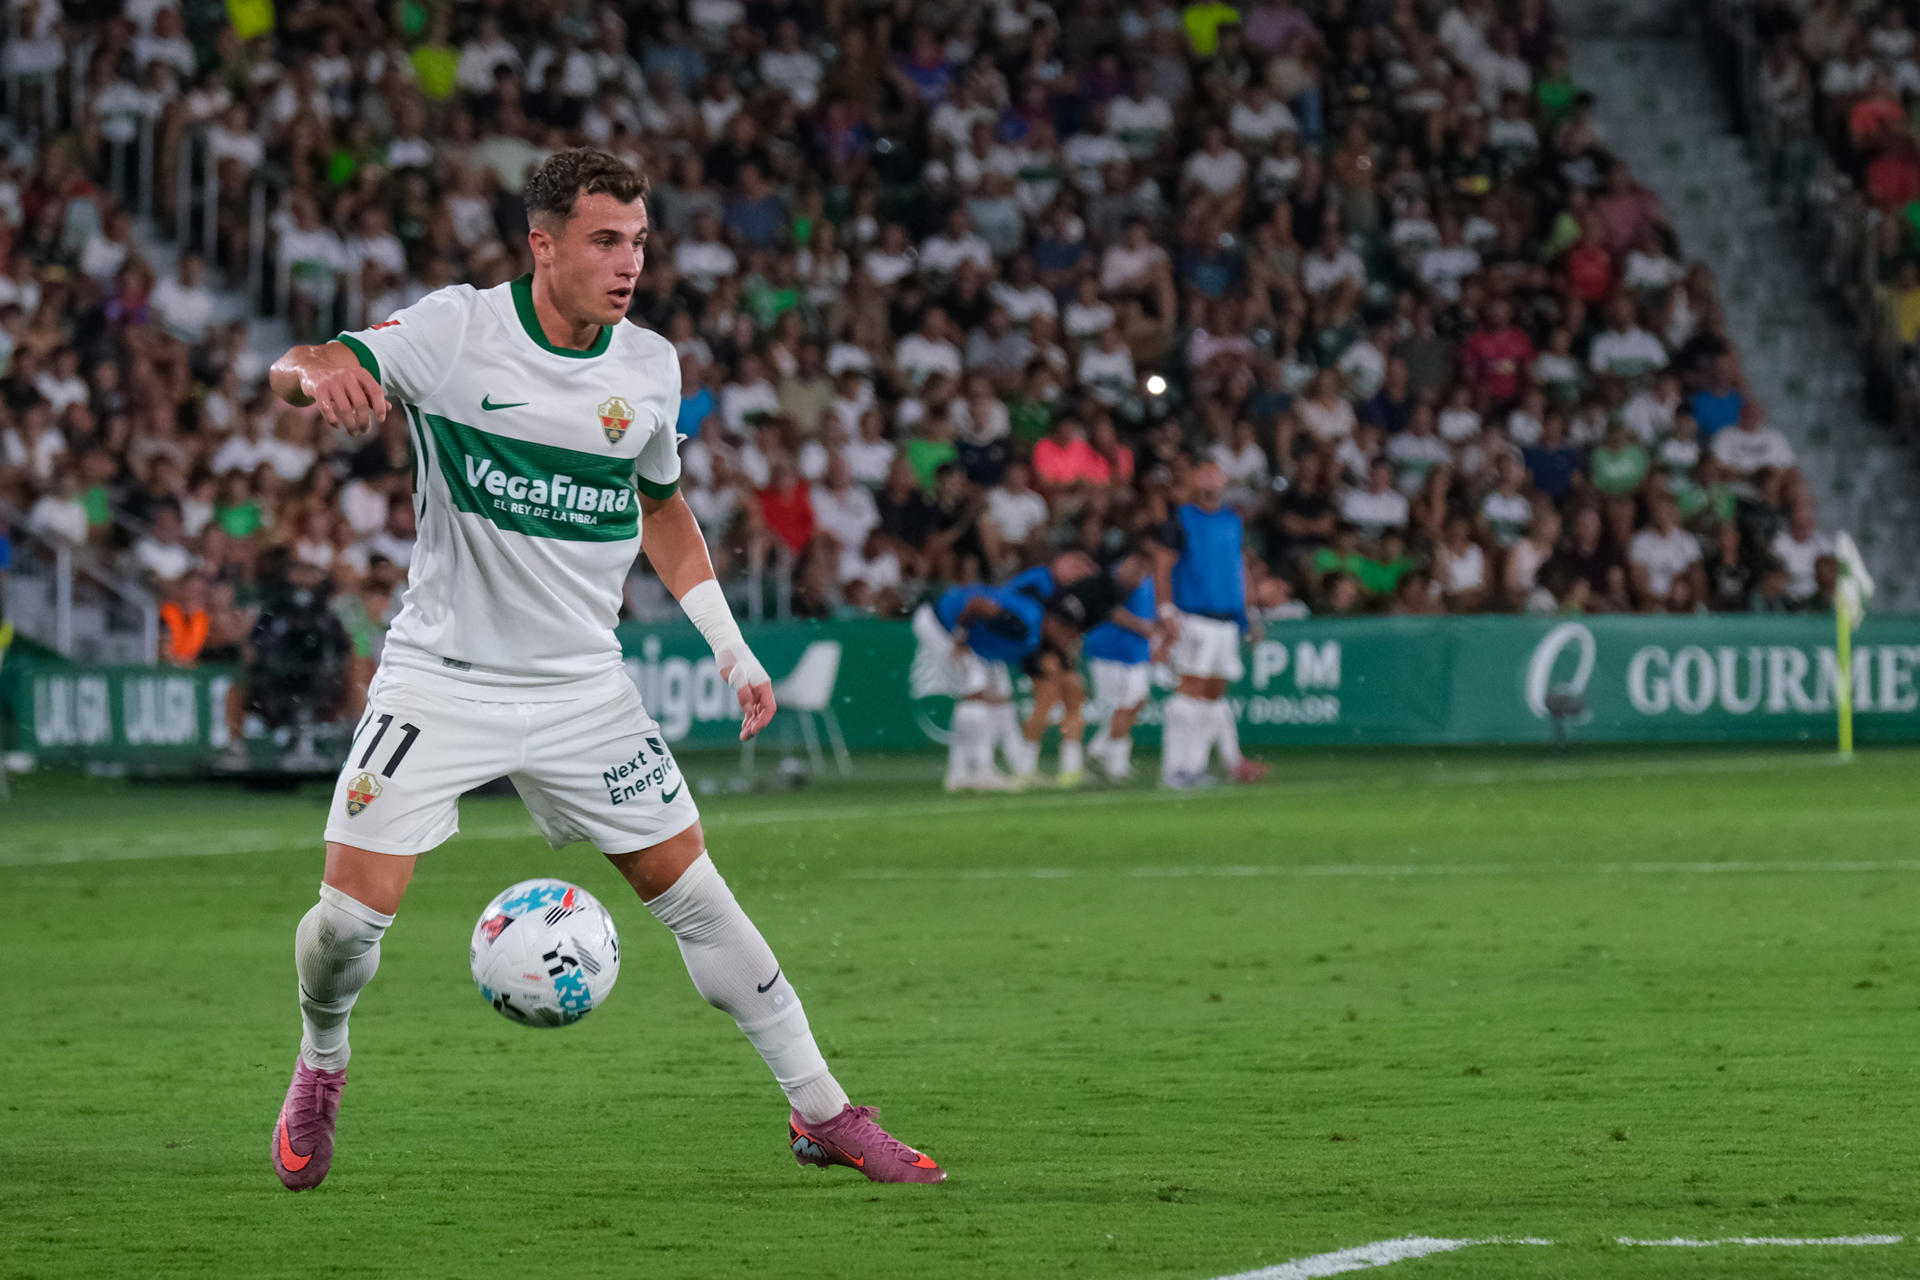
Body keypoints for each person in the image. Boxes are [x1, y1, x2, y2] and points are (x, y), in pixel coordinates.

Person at [263, 149, 942, 1192]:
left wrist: (729, 642)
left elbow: (662, 507)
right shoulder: (456, 332)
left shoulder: (649, 367)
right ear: (544, 244)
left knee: (702, 901)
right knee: (348, 927)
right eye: (605, 241)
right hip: (442, 680)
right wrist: (316, 372)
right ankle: (321, 1060)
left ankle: (823, 1112)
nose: (629, 264)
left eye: (637, 242)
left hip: (585, 690)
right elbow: (305, 361)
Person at [1151, 462, 1268, 788]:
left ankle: (1195, 765)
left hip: (1227, 619)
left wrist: (1251, 613)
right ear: (1191, 480)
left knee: (1213, 694)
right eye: (1202, 474)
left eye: (1215, 476)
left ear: (1224, 481)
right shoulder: (1180, 520)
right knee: (1190, 689)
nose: (1210, 482)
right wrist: (1167, 613)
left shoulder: (1232, 520)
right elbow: (1162, 568)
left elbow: (1238, 566)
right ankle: (1174, 768)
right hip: (1194, 617)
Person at [1082, 548, 1160, 782]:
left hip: (1135, 651)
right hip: (1110, 649)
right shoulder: (1118, 575)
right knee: (1121, 706)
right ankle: (1116, 762)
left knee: (1136, 701)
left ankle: (1099, 748)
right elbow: (1110, 610)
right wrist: (1143, 627)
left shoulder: (1150, 578)